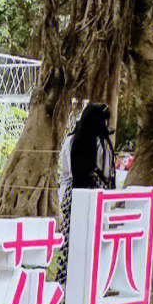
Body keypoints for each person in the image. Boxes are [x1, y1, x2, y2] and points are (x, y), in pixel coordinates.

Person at [58, 101, 115, 284]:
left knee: (70, 244)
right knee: (92, 245)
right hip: (95, 199)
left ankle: (66, 285)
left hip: (72, 197)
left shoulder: (71, 140)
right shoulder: (102, 143)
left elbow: (66, 173)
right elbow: (107, 173)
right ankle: (90, 285)